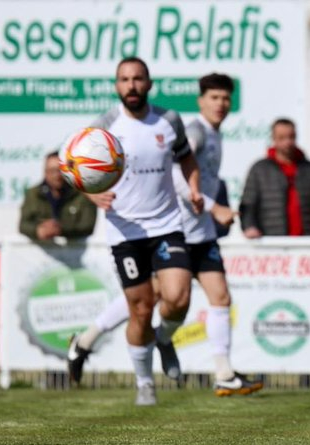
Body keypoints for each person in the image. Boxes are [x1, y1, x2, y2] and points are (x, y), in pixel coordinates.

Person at [68, 73, 262, 398]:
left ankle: (223, 373)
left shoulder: (215, 133)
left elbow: (199, 177)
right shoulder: (195, 131)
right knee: (148, 300)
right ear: (201, 101)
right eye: (214, 98)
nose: (221, 104)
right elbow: (175, 172)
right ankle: (91, 341)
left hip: (202, 232)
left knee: (218, 297)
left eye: (226, 98)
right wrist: (214, 207)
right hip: (177, 228)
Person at [74, 57, 203, 406]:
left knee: (178, 297)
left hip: (165, 224)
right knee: (141, 309)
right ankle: (145, 382)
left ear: (149, 83)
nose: (131, 85)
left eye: (137, 78)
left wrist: (194, 188)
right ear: (117, 85)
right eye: (124, 79)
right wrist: (91, 191)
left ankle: (164, 338)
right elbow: (72, 166)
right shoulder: (104, 126)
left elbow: (186, 158)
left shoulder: (169, 119)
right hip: (125, 231)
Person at [240, 118, 310, 237]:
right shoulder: (259, 169)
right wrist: (249, 227)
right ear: (273, 138)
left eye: (291, 137)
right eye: (282, 138)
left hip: (307, 242)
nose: (287, 142)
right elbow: (248, 204)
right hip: (271, 241)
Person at [19, 152, 98, 242]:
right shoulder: (33, 194)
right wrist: (38, 230)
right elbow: (23, 224)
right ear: (45, 172)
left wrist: (60, 229)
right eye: (52, 170)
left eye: (60, 170)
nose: (57, 175)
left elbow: (87, 226)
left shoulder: (82, 194)